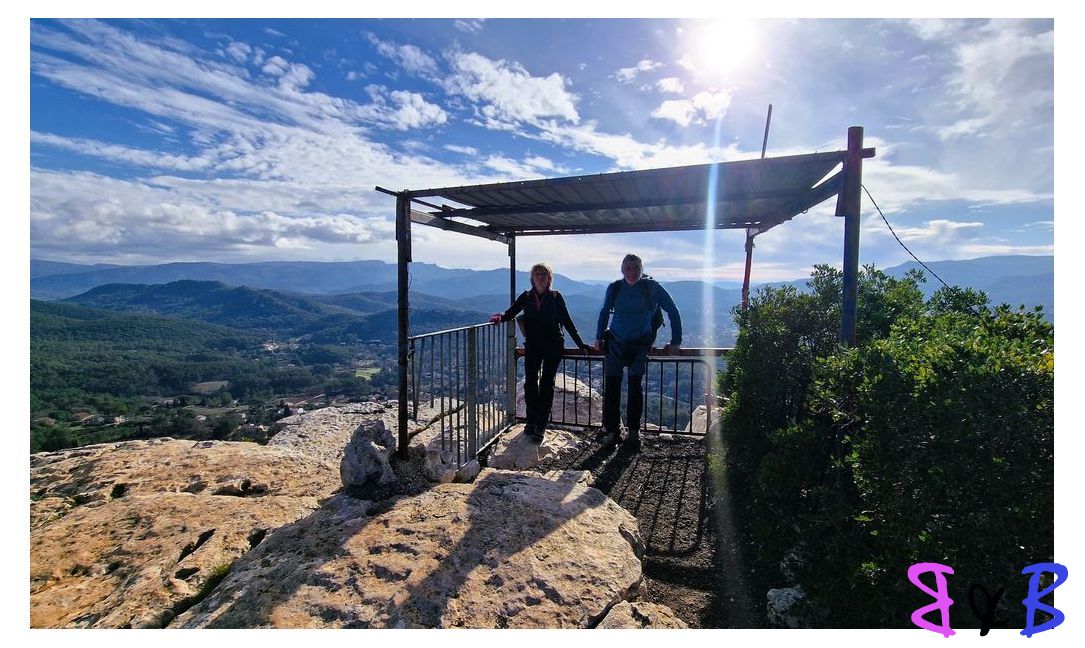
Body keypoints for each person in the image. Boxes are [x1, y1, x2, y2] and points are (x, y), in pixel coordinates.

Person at [490, 262, 591, 443]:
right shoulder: (527, 296)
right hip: (533, 346)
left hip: (553, 346)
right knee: (530, 384)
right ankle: (531, 420)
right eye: (537, 274)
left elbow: (568, 322)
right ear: (532, 278)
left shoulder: (556, 297)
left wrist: (581, 344)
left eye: (544, 274)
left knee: (546, 385)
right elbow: (511, 312)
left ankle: (540, 426)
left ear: (549, 278)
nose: (541, 277)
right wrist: (499, 318)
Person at [594, 253, 682, 449]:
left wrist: (676, 341)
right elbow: (604, 312)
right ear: (622, 269)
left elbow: (673, 310)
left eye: (636, 268)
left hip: (639, 344)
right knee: (612, 389)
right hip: (615, 342)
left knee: (635, 389)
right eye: (628, 268)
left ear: (642, 270)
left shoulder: (652, 287)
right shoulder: (615, 288)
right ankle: (613, 432)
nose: (632, 272)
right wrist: (599, 337)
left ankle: (633, 433)